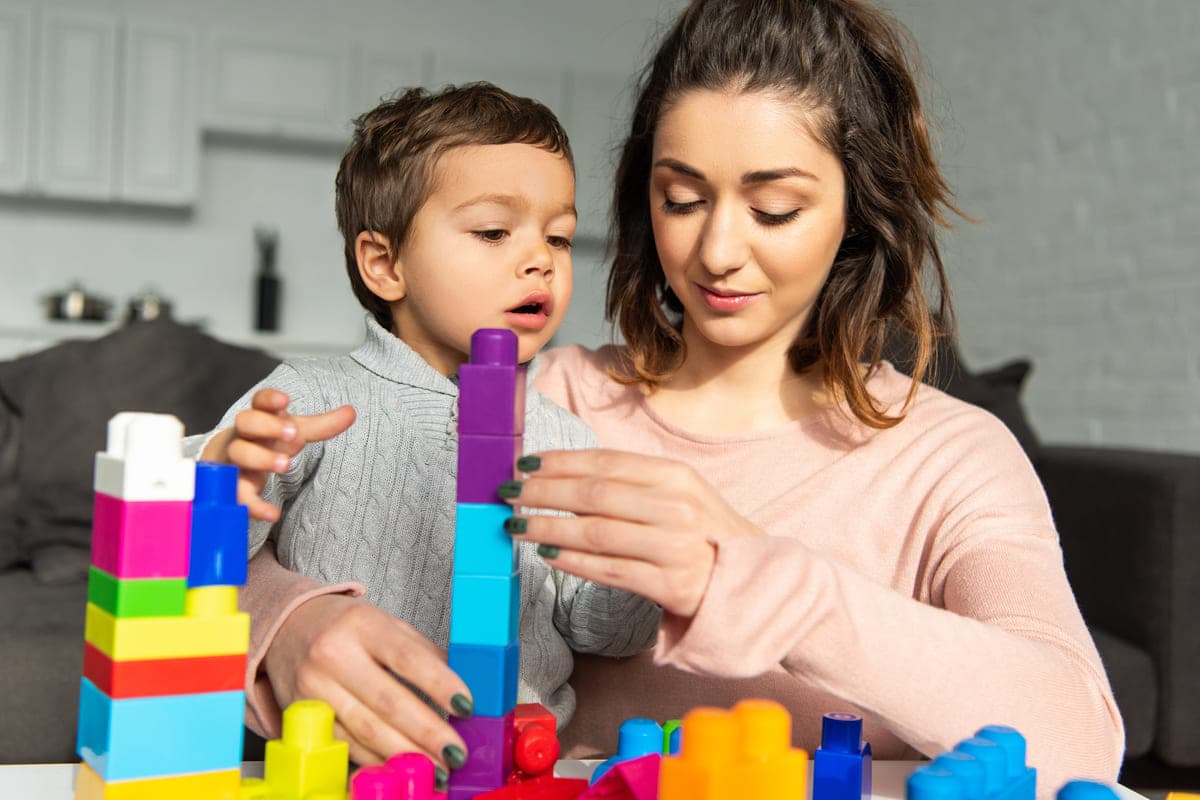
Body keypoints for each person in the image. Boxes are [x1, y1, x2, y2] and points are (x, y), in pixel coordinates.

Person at [242, 0, 1124, 790]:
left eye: (774, 209)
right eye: (681, 199)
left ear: (857, 209)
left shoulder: (947, 457)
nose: (716, 252)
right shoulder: (540, 398)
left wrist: (753, 579)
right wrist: (288, 627)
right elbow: (245, 534)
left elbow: (1080, 735)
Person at [188, 83, 659, 787]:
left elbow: (605, 636)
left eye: (557, 235)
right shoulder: (310, 398)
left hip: (513, 769)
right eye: (495, 231)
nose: (541, 259)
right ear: (385, 264)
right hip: (328, 768)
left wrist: (634, 567)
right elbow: (197, 572)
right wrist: (225, 479)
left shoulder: (564, 438)